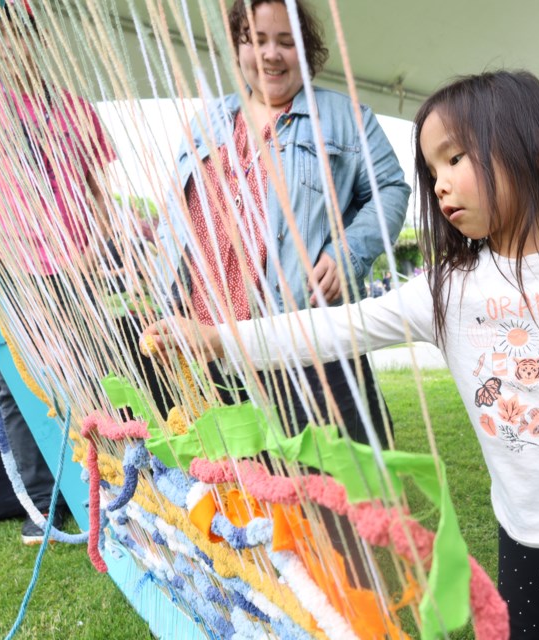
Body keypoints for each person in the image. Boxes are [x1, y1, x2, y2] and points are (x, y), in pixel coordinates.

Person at [145, 70, 539, 639]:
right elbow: (336, 327)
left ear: (533, 148)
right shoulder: (448, 287)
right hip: (521, 533)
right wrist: (216, 336)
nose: (439, 182)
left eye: (456, 157)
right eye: (432, 168)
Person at [155, 0, 409, 446]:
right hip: (207, 342)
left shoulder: (346, 119)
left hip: (300, 336)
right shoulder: (205, 122)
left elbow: (390, 189)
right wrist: (167, 299)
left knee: (334, 482)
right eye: (255, 40)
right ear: (238, 49)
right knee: (240, 489)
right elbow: (176, 215)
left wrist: (348, 251)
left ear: (305, 53)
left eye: (285, 42)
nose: (270, 54)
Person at [0, 1, 115, 543]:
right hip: (7, 270)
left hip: (74, 266)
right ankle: (43, 503)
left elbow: (99, 190)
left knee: (87, 370)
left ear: (40, 40)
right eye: (2, 36)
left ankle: (101, 484)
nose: (13, 47)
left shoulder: (74, 107)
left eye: (23, 35)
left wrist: (96, 245)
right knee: (16, 385)